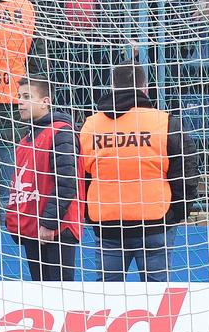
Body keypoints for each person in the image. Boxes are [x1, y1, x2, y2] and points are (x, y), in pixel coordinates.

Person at [79, 63, 198, 283]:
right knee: (156, 297)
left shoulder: (90, 126)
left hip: (107, 224)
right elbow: (187, 173)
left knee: (107, 297)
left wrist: (90, 214)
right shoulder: (165, 122)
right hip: (155, 220)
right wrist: (176, 214)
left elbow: (82, 175)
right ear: (146, 88)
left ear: (112, 87)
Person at [5, 77, 82, 280]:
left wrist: (49, 223)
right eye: (19, 96)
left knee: (59, 296)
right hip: (33, 229)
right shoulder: (24, 141)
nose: (20, 101)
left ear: (45, 101)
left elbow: (67, 182)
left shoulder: (61, 132)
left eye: (27, 97)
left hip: (56, 229)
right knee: (41, 297)